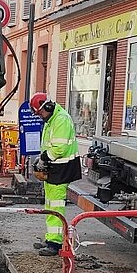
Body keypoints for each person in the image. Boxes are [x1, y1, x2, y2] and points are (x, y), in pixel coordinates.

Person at [30, 92, 82, 256]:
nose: (40, 116)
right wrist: (43, 158)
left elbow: (59, 149)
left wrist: (43, 159)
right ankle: (51, 238)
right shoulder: (52, 119)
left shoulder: (60, 120)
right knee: (50, 204)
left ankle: (55, 243)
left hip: (62, 169)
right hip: (56, 168)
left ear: (47, 106)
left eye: (40, 113)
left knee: (56, 206)